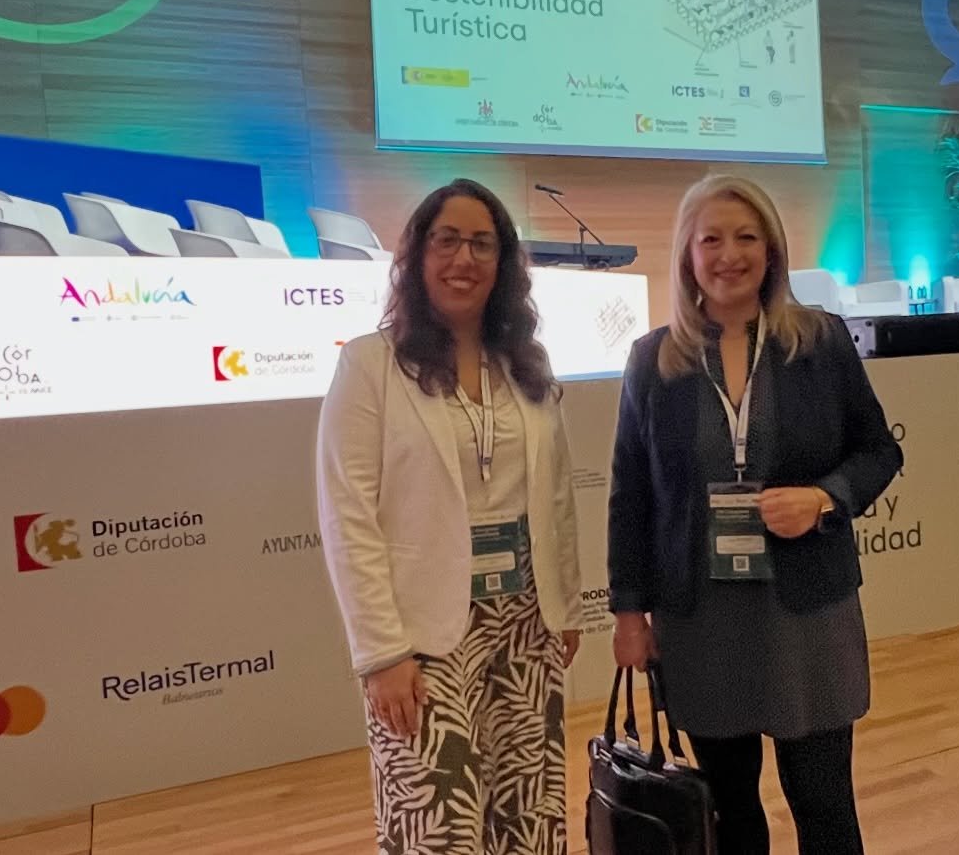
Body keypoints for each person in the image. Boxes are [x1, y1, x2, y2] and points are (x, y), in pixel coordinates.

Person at [608, 175, 902, 855]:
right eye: (711, 238)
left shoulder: (820, 342)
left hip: (807, 613)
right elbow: (631, 496)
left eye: (747, 237)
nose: (729, 254)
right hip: (701, 619)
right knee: (730, 812)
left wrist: (823, 498)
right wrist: (628, 614)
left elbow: (879, 451)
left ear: (772, 250)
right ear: (687, 254)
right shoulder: (653, 361)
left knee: (824, 806)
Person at [317, 178, 584, 854]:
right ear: (417, 254)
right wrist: (380, 653)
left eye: (482, 244)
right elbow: (348, 513)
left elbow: (555, 496)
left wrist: (566, 605)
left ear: (503, 262)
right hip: (423, 634)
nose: (464, 258)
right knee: (438, 826)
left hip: (525, 621)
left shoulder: (525, 365)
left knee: (529, 818)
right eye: (447, 240)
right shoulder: (370, 364)